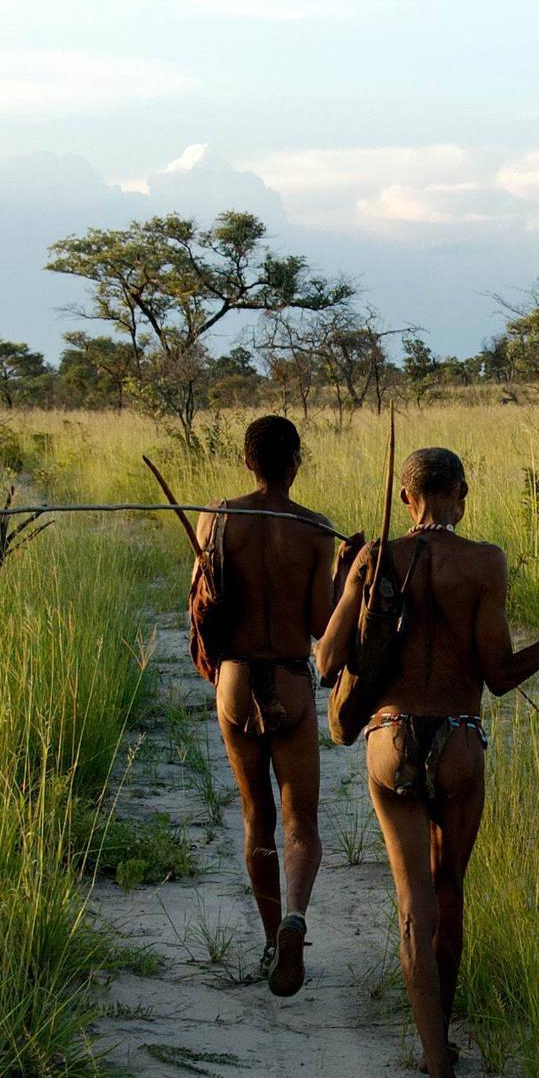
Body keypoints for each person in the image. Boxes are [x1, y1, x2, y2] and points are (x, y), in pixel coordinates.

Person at [317, 447, 539, 1078]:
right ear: (463, 494)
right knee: (450, 892)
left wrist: (354, 584)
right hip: (458, 742)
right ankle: (438, 1042)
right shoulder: (485, 563)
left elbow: (327, 660)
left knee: (413, 904)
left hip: (389, 740)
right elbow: (501, 674)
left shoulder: (375, 558)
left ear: (405, 499)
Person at [195, 415, 338, 997]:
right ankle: (294, 921)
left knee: (258, 819)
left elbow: (203, 604)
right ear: (296, 462)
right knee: (301, 820)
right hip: (289, 679)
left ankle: (268, 938)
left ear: (248, 462)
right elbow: (319, 625)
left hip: (233, 678)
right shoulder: (314, 529)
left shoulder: (216, 517)